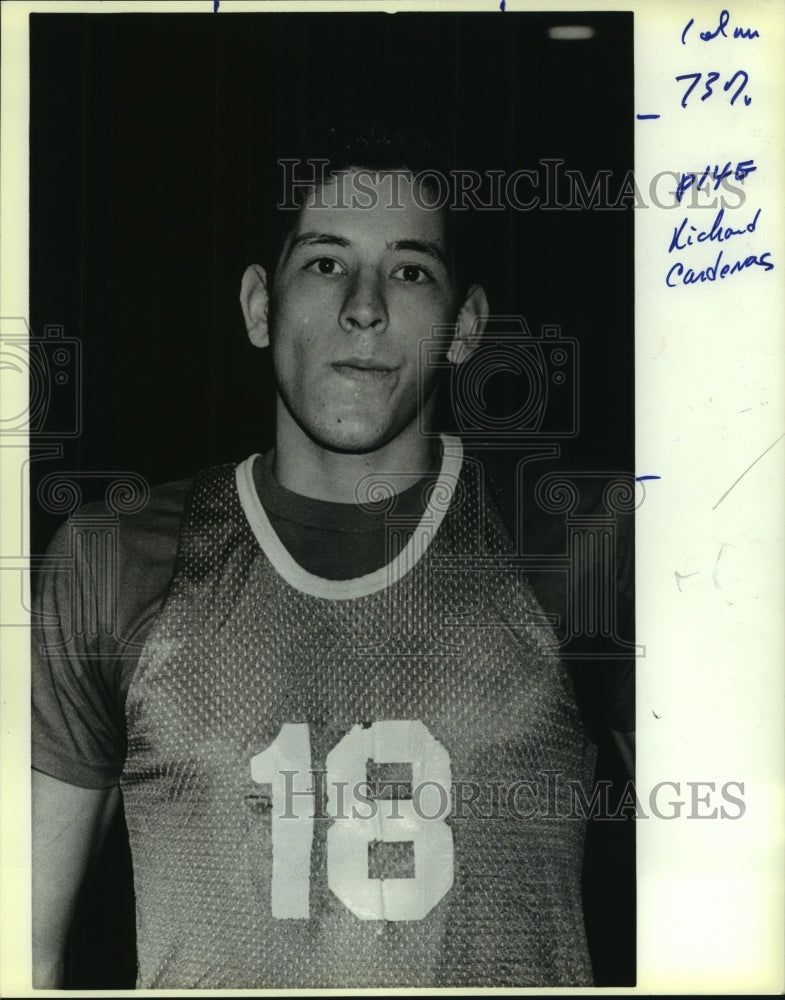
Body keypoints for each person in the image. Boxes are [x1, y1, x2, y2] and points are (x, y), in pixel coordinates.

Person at [32, 130, 615, 989]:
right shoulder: (114, 557)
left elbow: (726, 894)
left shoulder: (581, 546)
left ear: (465, 328)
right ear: (259, 307)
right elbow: (24, 954)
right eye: (325, 263)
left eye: (411, 271)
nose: (365, 307)